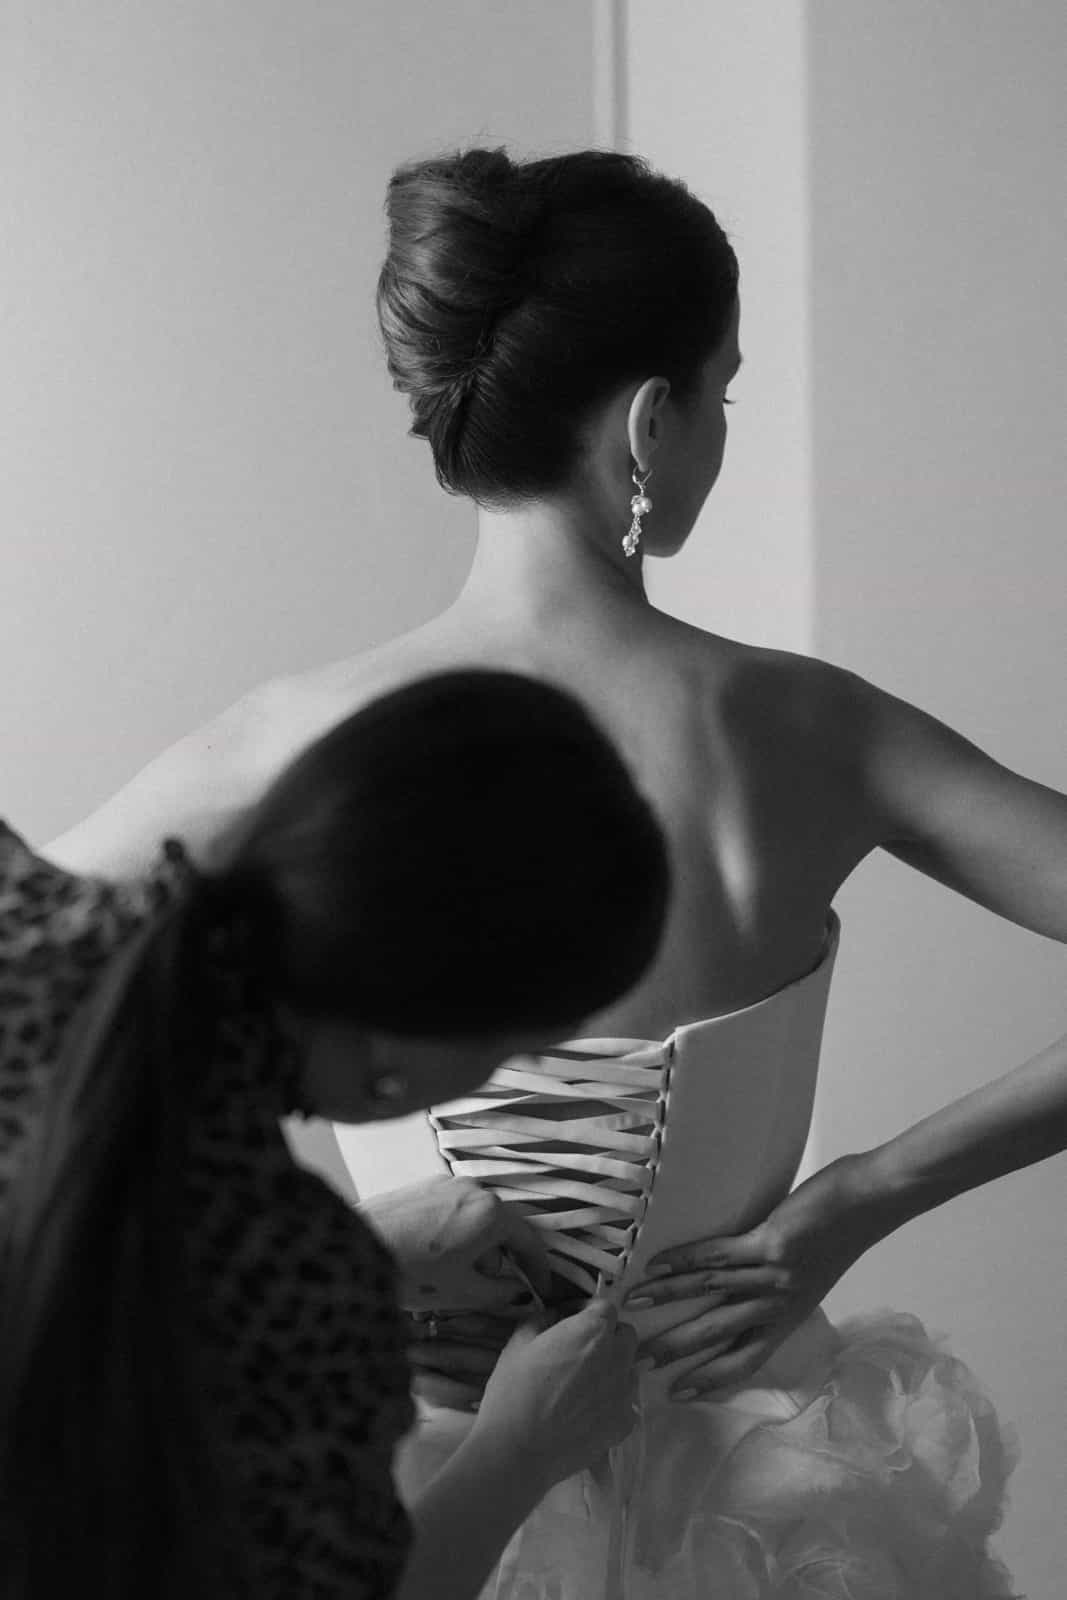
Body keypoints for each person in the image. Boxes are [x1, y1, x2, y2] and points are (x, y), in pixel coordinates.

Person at [45, 147, 1067, 1595]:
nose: (718, 427)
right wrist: (862, 1192)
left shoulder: (291, 743)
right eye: (719, 390)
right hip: (770, 1495)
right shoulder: (801, 730)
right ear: (648, 424)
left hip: (408, 1471)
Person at [1, 669, 671, 1600]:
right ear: (410, 1041)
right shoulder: (299, 1288)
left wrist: (365, 1254)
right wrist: (517, 1450)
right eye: (521, 1047)